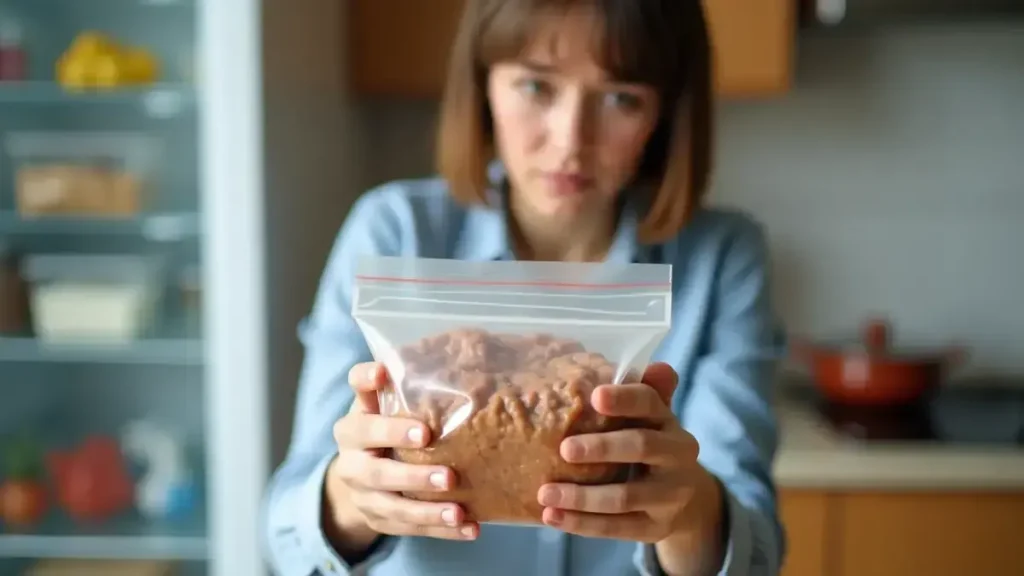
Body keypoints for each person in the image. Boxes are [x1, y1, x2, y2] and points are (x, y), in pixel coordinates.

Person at [262, 0, 786, 574]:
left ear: (664, 114)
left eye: (621, 98)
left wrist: (691, 513)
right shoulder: (394, 233)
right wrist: (349, 497)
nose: (570, 139)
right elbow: (284, 538)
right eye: (537, 86)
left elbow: (756, 551)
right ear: (484, 86)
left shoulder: (721, 260)